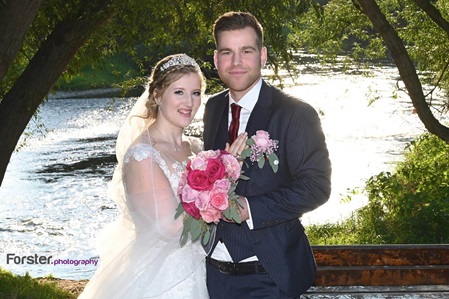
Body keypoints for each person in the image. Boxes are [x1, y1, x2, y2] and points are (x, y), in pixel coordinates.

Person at [202, 12, 332, 298]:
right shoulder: (212, 108)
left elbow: (316, 188)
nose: (236, 63)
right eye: (227, 52)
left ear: (262, 56)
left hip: (269, 276)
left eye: (246, 51)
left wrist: (251, 209)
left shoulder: (295, 114)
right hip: (212, 276)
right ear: (215, 59)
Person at [78, 53, 210, 298]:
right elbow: (170, 228)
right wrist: (218, 187)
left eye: (196, 92)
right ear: (158, 95)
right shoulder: (143, 156)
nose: (189, 102)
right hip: (161, 279)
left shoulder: (195, 147)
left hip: (196, 271)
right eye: (179, 92)